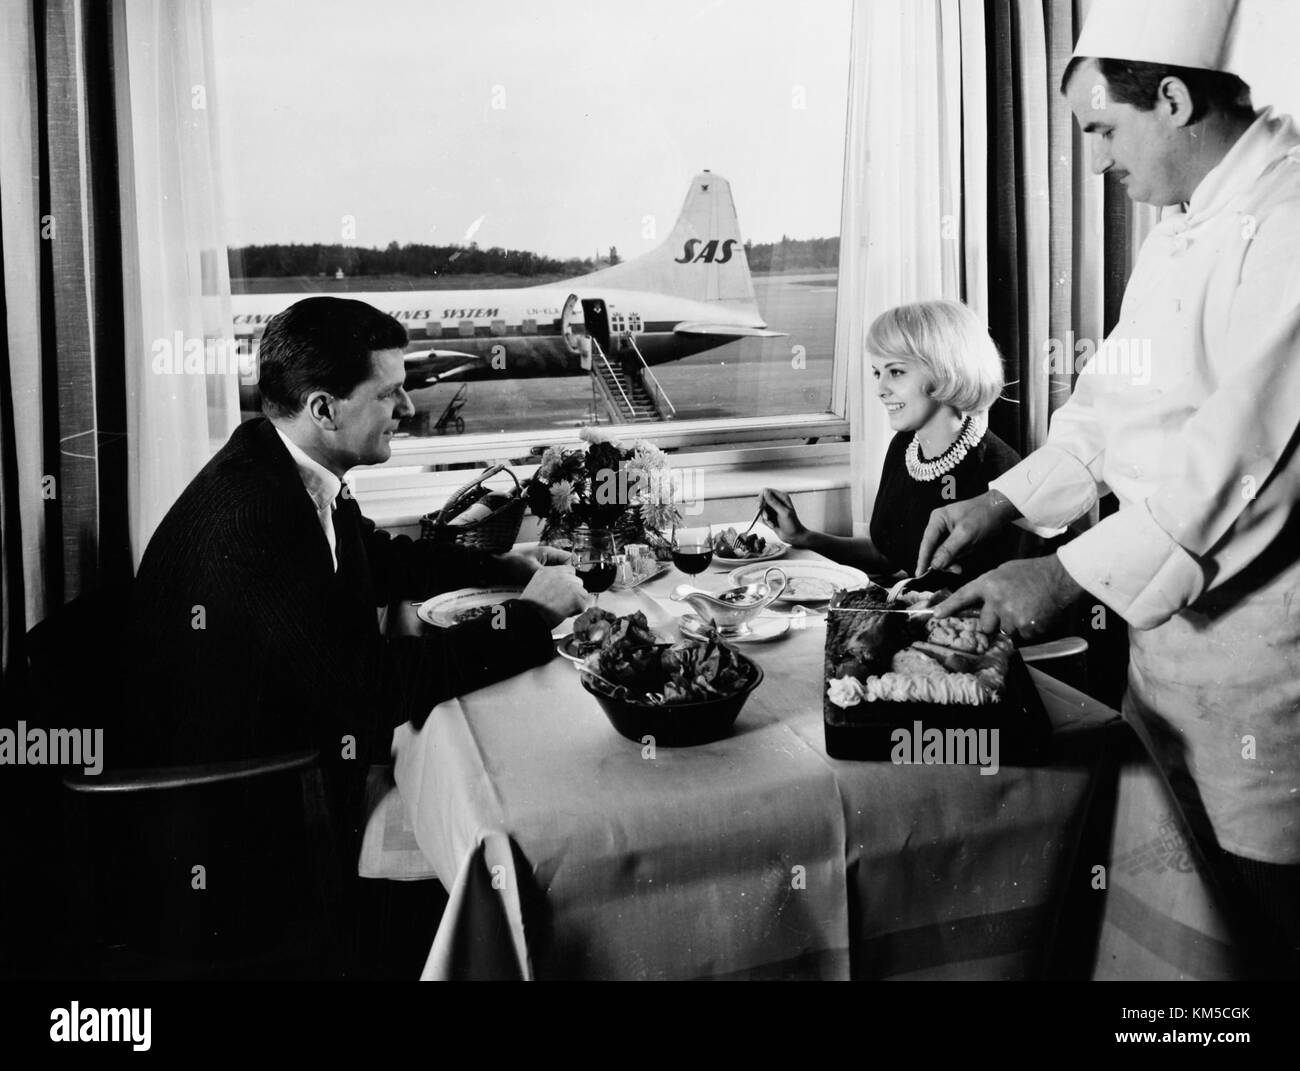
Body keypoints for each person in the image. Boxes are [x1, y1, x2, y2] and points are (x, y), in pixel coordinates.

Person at [917, 0, 1300, 973]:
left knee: (1265, 927)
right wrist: (1009, 501)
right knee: (1178, 930)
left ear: (1168, 99)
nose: (1093, 162)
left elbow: (1245, 467)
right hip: (1166, 659)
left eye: (1100, 129)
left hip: (1269, 681)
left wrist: (1068, 576)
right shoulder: (1186, 225)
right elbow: (1107, 408)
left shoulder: (1292, 220)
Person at [128, 297, 587, 891]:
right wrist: (531, 618)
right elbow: (367, 691)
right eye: (389, 393)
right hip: (238, 813)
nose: (408, 406)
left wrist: (502, 563)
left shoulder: (281, 461)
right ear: (324, 408)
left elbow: (376, 556)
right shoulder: (255, 516)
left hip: (276, 744)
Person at [762, 299, 1026, 581]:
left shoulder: (999, 470)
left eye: (896, 372)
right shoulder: (904, 446)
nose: (880, 389)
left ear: (945, 370)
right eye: (877, 373)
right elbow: (888, 554)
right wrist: (803, 536)